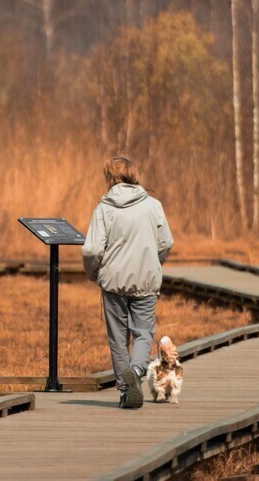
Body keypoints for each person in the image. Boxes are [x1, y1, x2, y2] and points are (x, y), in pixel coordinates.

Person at [82, 155, 173, 409]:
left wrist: (94, 274)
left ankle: (125, 391)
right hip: (146, 280)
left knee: (118, 338)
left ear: (110, 178)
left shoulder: (104, 208)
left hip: (113, 282)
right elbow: (166, 243)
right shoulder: (153, 205)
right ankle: (136, 370)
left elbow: (92, 251)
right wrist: (154, 264)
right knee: (144, 333)